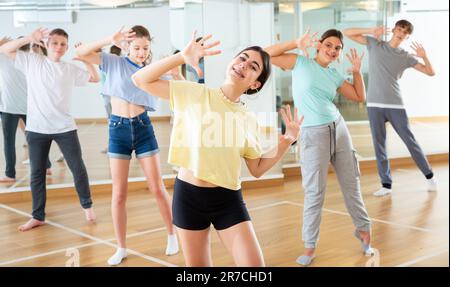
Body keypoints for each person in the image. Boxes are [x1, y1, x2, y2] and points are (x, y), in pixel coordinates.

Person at [132, 32, 302, 267]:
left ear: (255, 84)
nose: (244, 64)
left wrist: (286, 140)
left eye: (253, 66)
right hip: (188, 197)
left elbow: (257, 169)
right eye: (242, 58)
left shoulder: (250, 120)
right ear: (231, 62)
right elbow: (140, 79)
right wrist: (181, 56)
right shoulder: (195, 93)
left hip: (228, 200)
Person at [265, 28, 374, 265]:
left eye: (337, 48)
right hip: (313, 135)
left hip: (339, 129)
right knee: (315, 192)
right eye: (329, 45)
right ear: (319, 45)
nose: (333, 50)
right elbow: (266, 54)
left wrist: (357, 73)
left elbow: (358, 97)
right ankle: (309, 246)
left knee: (351, 184)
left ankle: (364, 230)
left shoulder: (335, 75)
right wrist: (294, 41)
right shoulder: (300, 62)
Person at [75, 26, 179, 266]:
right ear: (127, 47)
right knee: (119, 194)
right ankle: (120, 247)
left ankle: (173, 234)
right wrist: (108, 38)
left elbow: (176, 92)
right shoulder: (114, 62)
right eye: (137, 48)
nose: (141, 53)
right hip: (117, 129)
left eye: (145, 48)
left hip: (143, 128)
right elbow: (82, 53)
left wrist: (176, 72)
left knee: (157, 187)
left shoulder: (151, 72)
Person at [0, 27, 99, 231]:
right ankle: (38, 216)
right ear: (47, 44)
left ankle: (87, 205)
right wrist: (30, 38)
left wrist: (87, 60)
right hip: (37, 129)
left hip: (65, 128)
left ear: (67, 47)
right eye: (55, 43)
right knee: (37, 174)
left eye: (63, 44)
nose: (59, 47)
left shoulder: (69, 68)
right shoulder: (32, 62)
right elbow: (5, 50)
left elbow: (95, 78)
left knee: (77, 168)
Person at [344, 20, 437, 196]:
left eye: (405, 32)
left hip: (395, 105)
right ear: (394, 30)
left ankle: (430, 176)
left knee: (411, 142)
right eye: (400, 29)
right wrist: (370, 30)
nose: (401, 33)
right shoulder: (375, 44)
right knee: (379, 146)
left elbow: (430, 72)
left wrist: (424, 56)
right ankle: (386, 185)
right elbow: (347, 32)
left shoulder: (406, 56)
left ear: (407, 36)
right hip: (374, 105)